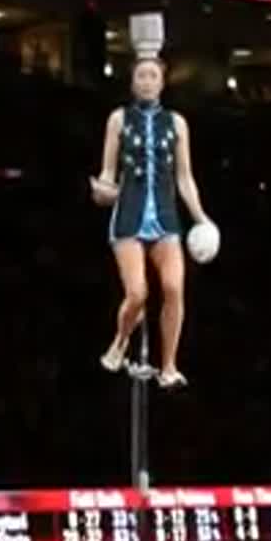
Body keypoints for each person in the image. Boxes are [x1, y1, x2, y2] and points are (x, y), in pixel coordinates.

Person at [90, 57, 210, 389]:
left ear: (162, 82)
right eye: (140, 76)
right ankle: (120, 340)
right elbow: (108, 173)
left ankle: (169, 366)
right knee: (138, 293)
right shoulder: (118, 119)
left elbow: (185, 179)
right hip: (129, 217)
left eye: (152, 75)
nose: (146, 81)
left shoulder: (177, 123)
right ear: (132, 82)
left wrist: (201, 218)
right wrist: (103, 191)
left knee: (173, 288)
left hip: (165, 220)